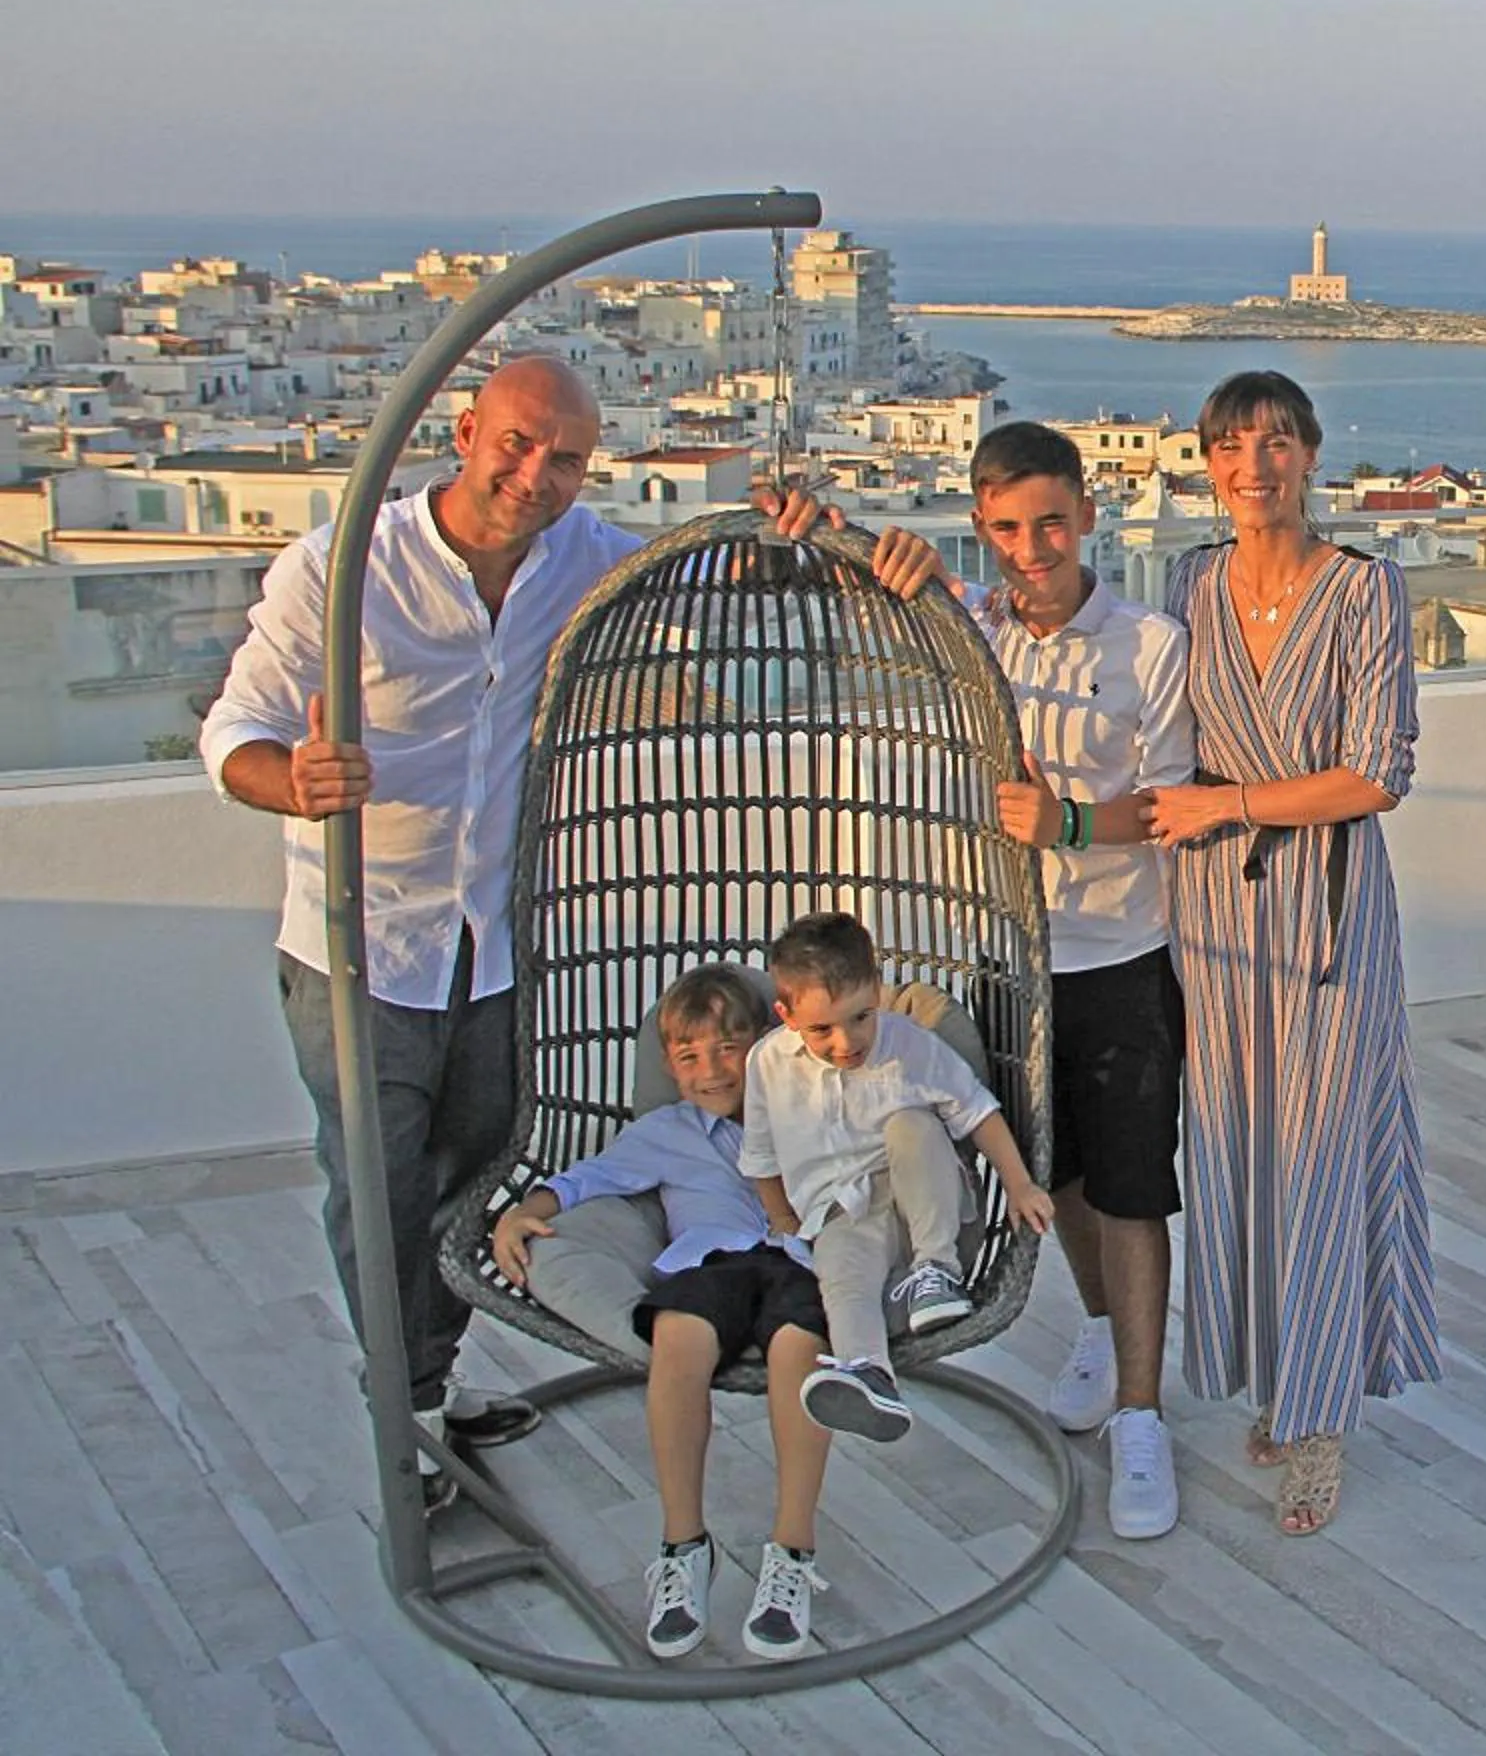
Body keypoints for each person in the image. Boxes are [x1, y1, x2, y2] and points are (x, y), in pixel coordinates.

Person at [200, 354, 833, 1512]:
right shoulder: (345, 568)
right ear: (464, 429)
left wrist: (786, 531)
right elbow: (234, 727)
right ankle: (406, 1417)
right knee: (377, 1188)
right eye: (519, 442)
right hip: (362, 946)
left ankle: (430, 1386)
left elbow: (709, 581)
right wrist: (293, 780)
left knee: (467, 1181)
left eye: (568, 458)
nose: (536, 473)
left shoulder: (583, 559)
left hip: (494, 946)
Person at [867, 420, 1194, 1539]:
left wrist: (1063, 819)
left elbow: (1170, 806)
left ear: (1088, 514)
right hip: (1011, 956)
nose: (1031, 546)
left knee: (1137, 1187)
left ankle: (1143, 1416)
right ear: (983, 528)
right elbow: (885, 584)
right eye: (1005, 527)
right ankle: (1102, 1333)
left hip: (1122, 954)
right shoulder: (978, 634)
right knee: (1057, 1177)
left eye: (1049, 520)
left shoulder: (1150, 641)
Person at [1145, 369, 1440, 1537]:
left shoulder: (1367, 591)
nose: (1253, 465)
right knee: (1235, 1147)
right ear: (1206, 465)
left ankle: (1317, 1423)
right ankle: (1275, 1373)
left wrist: (1235, 806)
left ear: (1311, 457)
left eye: (1275, 442)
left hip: (1323, 910)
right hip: (1215, 919)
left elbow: (1380, 772)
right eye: (1229, 445)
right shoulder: (1186, 582)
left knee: (1320, 1151)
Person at [489, 966, 833, 1661]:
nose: (712, 1069)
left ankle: (792, 1550)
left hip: (800, 1261)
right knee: (676, 1333)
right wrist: (524, 1212)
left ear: (766, 1043)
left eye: (729, 1047)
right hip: (711, 1264)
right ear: (672, 1071)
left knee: (802, 1346)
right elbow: (587, 1179)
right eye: (689, 1057)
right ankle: (683, 1548)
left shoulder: (808, 1107)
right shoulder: (665, 1132)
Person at [741, 911, 1054, 1443]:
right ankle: (867, 1372)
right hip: (842, 1210)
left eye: (861, 1017)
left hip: (927, 1199)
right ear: (786, 1015)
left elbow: (977, 1111)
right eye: (822, 1029)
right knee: (841, 1272)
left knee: (911, 1124)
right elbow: (761, 1155)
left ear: (878, 992)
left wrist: (1020, 1183)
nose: (846, 1041)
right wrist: (783, 1221)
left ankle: (936, 1275)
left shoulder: (908, 1046)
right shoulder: (767, 1064)